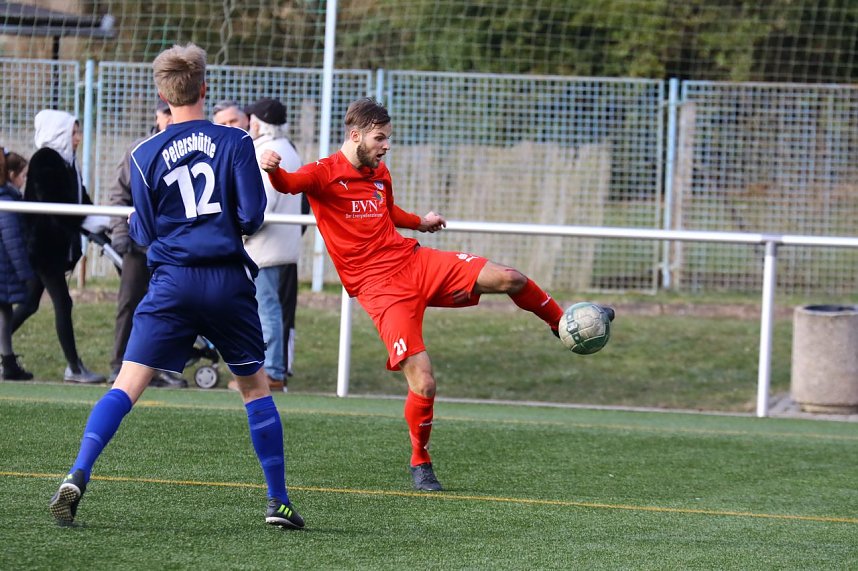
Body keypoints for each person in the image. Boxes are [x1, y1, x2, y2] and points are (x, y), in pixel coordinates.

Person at [260, 97, 615, 492]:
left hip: (414, 262)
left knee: (509, 277)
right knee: (424, 382)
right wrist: (273, 171)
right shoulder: (322, 174)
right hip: (380, 290)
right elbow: (289, 185)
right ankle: (420, 460)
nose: (386, 145)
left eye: (388, 138)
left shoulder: (380, 172)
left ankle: (561, 323)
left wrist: (421, 223)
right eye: (380, 138)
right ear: (355, 135)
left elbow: (388, 212)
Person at [49, 43, 303, 530]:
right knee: (254, 386)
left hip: (171, 282)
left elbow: (141, 233)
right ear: (204, 88)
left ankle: (77, 473)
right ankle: (278, 503)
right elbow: (250, 217)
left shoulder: (143, 153)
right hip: (228, 281)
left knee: (126, 384)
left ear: (162, 93)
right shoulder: (235, 143)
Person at [10, 110, 106, 384]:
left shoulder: (67, 163)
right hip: (44, 250)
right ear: (59, 133)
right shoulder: (45, 159)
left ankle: (6, 354)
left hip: (52, 248)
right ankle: (74, 367)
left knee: (29, 304)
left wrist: (103, 219)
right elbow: (55, 203)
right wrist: (84, 220)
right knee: (63, 302)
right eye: (73, 132)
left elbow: (80, 200)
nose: (77, 138)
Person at [107, 99, 187, 388]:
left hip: (173, 248)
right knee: (129, 303)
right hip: (139, 246)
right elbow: (119, 194)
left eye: (172, 111)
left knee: (171, 308)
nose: (169, 117)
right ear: (156, 115)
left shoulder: (190, 150)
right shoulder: (139, 149)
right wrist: (120, 235)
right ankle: (119, 366)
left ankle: (160, 367)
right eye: (165, 112)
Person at [226, 97, 303, 393]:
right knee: (271, 308)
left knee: (266, 309)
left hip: (266, 246)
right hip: (282, 245)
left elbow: (261, 205)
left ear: (259, 121)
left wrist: (238, 231)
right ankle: (271, 369)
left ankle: (271, 371)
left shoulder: (267, 152)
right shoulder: (289, 149)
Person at [0, 150, 35, 380]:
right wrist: (25, 273)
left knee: (5, 313)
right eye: (23, 175)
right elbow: (12, 240)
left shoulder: (9, 198)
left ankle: (8, 360)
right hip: (4, 268)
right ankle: (8, 361)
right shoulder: (7, 201)